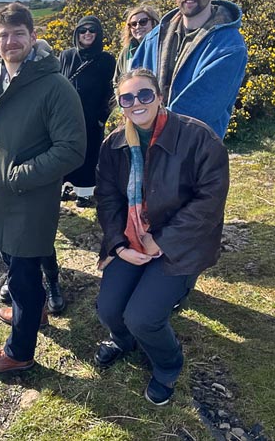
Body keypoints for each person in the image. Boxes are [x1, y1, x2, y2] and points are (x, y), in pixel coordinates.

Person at [94, 68, 229, 406]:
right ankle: (123, 341)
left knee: (143, 317)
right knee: (109, 309)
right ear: (120, 104)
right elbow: (108, 197)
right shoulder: (115, 143)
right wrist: (119, 244)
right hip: (132, 239)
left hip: (180, 246)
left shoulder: (197, 137)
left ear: (159, 96)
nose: (136, 103)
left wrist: (163, 241)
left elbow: (210, 202)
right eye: (127, 98)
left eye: (144, 95)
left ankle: (168, 365)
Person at [0, 2, 85, 373]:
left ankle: (18, 353)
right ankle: (33, 315)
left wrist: (17, 176)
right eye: (3, 35)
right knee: (19, 265)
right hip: (3, 197)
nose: (10, 41)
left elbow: (72, 149)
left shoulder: (54, 86)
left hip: (30, 198)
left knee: (22, 270)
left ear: (34, 37)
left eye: (18, 33)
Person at [130, 0, 248, 139]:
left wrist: (149, 127)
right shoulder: (155, 38)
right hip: (147, 143)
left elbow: (201, 109)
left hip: (195, 150)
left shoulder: (229, 46)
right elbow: (132, 86)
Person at [59, 15, 116, 208]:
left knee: (88, 155)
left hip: (92, 118)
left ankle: (84, 193)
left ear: (98, 34)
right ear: (77, 34)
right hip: (66, 118)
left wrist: (102, 117)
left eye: (92, 30)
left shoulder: (107, 59)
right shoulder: (67, 56)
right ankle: (65, 187)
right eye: (83, 31)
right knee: (65, 152)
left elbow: (110, 90)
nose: (87, 34)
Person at [114, 5, 160, 85]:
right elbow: (117, 82)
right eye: (133, 24)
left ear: (153, 23)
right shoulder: (126, 53)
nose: (138, 27)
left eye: (143, 22)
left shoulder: (162, 47)